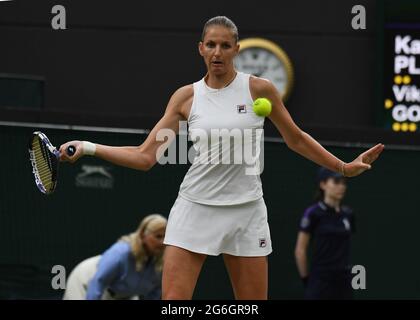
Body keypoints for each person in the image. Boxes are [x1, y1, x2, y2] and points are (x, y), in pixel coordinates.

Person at [59, 16, 384, 300]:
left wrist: (342, 167)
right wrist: (88, 147)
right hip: (195, 208)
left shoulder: (260, 89)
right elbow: (145, 157)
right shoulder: (186, 97)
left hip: (246, 211)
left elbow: (296, 139)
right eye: (211, 45)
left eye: (225, 45)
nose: (217, 52)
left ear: (236, 49)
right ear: (200, 48)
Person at [63, 214, 167, 300]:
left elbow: (154, 293)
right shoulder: (121, 252)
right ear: (143, 236)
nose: (162, 242)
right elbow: (98, 282)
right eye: (158, 236)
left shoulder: (161, 261)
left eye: (165, 237)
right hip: (86, 282)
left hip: (121, 295)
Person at [295, 168, 355, 300]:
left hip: (343, 279)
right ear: (323, 184)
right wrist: (306, 279)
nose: (341, 186)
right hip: (320, 279)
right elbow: (300, 250)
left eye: (343, 182)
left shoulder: (348, 214)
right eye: (336, 182)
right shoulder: (313, 213)